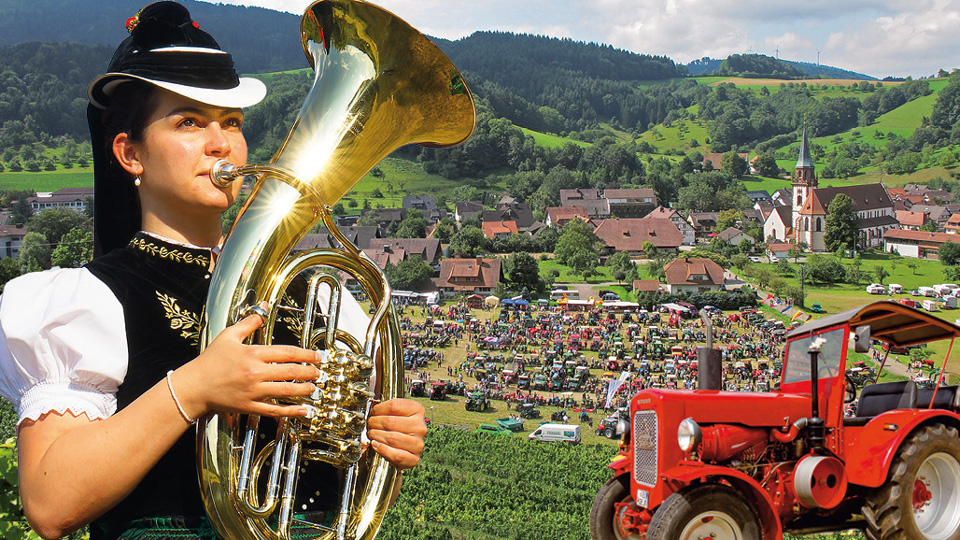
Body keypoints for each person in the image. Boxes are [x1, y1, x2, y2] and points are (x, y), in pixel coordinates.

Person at [0, 3, 425, 540]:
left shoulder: (314, 293)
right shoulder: (84, 298)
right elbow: (50, 503)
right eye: (189, 122)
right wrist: (193, 388)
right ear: (130, 154)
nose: (222, 144)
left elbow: (332, 464)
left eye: (232, 123)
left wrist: (382, 435)